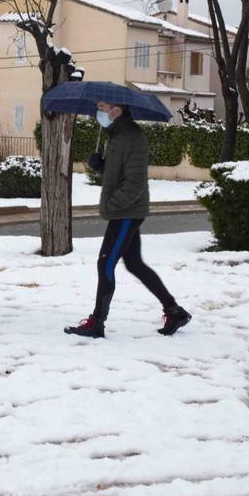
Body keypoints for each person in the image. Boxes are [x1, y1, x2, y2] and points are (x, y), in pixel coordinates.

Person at [65, 101, 191, 339]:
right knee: (134, 264)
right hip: (125, 210)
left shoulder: (132, 137)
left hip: (127, 212)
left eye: (104, 107)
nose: (99, 112)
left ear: (117, 109)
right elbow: (119, 174)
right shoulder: (116, 135)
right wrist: (100, 166)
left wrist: (110, 206)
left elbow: (134, 184)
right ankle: (175, 311)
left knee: (105, 264)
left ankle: (97, 323)